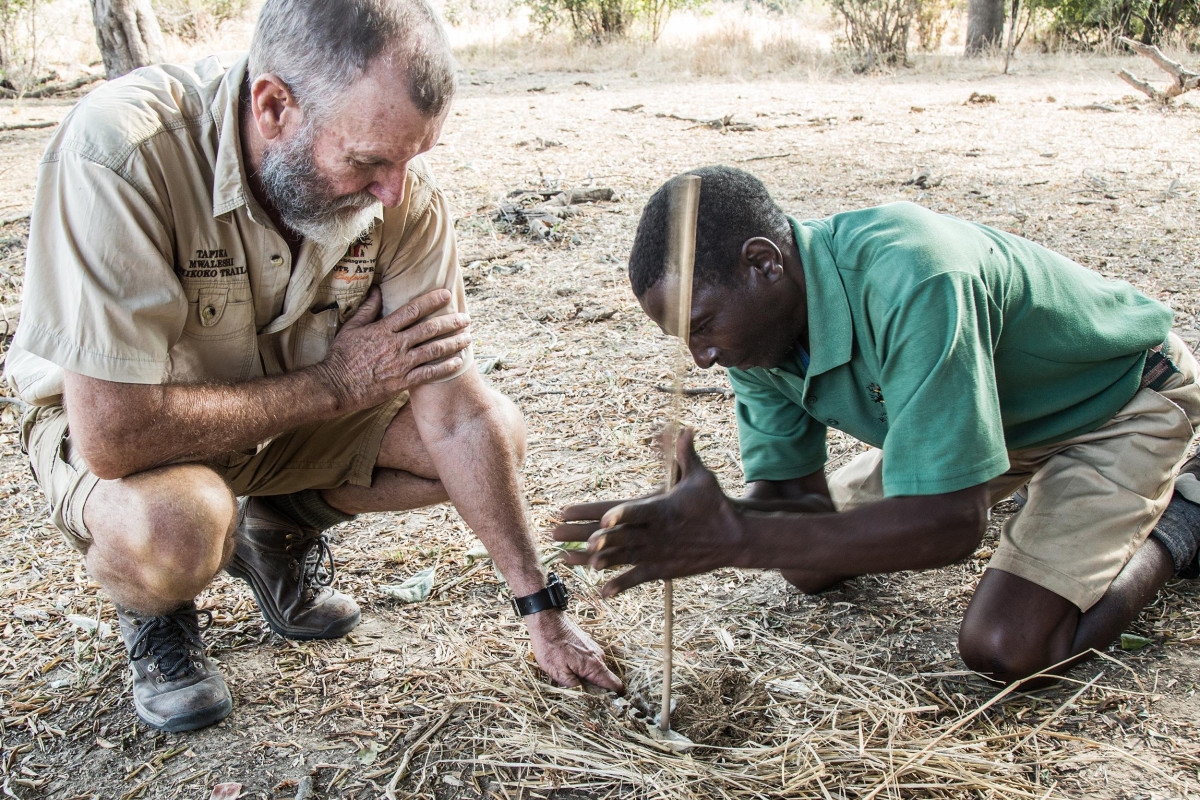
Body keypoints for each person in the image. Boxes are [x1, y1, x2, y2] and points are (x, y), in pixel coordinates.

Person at [5, 0, 620, 733]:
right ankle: (158, 612)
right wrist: (333, 386)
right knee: (179, 526)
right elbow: (117, 436)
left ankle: (274, 530)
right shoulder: (123, 153)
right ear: (273, 107)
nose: (394, 191)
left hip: (276, 422)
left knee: (496, 438)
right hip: (125, 442)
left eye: (411, 158)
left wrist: (541, 609)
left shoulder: (401, 192)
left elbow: (457, 416)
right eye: (368, 161)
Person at [554, 165, 1200, 686]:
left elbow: (951, 525)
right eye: (685, 339)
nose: (702, 357)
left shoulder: (915, 275)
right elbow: (793, 506)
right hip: (996, 422)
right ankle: (1040, 489)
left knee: (1009, 646)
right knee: (807, 567)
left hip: (1119, 400)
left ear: (764, 262)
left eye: (701, 326)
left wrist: (736, 537)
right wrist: (708, 520)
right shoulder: (755, 337)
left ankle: (1182, 518)